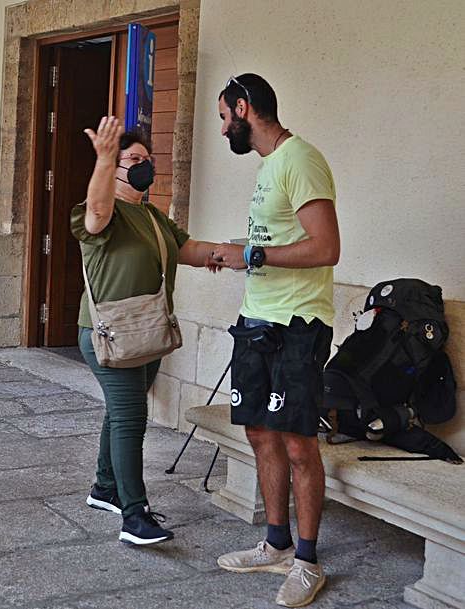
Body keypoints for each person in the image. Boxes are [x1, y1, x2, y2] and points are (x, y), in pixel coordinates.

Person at [210, 74, 339, 607]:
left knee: (297, 442)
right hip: (256, 320)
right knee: (261, 434)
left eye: (224, 117)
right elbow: (275, 241)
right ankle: (277, 545)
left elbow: (326, 247)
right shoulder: (270, 167)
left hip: (298, 326)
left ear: (244, 108)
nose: (223, 129)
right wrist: (237, 250)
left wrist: (255, 257)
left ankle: (307, 561)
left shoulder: (301, 159)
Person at [72, 116, 221, 546]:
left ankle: (105, 487)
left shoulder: (152, 216)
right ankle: (134, 516)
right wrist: (103, 159)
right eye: (134, 159)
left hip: (149, 331)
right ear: (114, 168)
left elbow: (188, 248)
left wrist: (235, 255)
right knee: (131, 416)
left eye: (148, 160)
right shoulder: (100, 213)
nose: (145, 166)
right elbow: (98, 212)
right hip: (110, 334)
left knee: (121, 411)